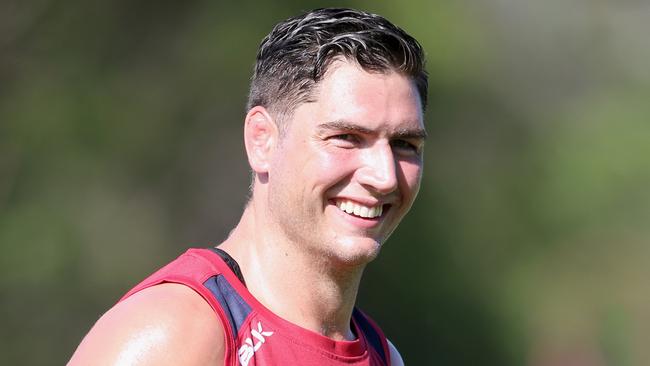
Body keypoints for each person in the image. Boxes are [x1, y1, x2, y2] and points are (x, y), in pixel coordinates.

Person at [69, 7, 427, 365]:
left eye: (405, 145)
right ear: (263, 141)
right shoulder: (174, 334)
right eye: (346, 137)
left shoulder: (383, 355)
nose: (385, 176)